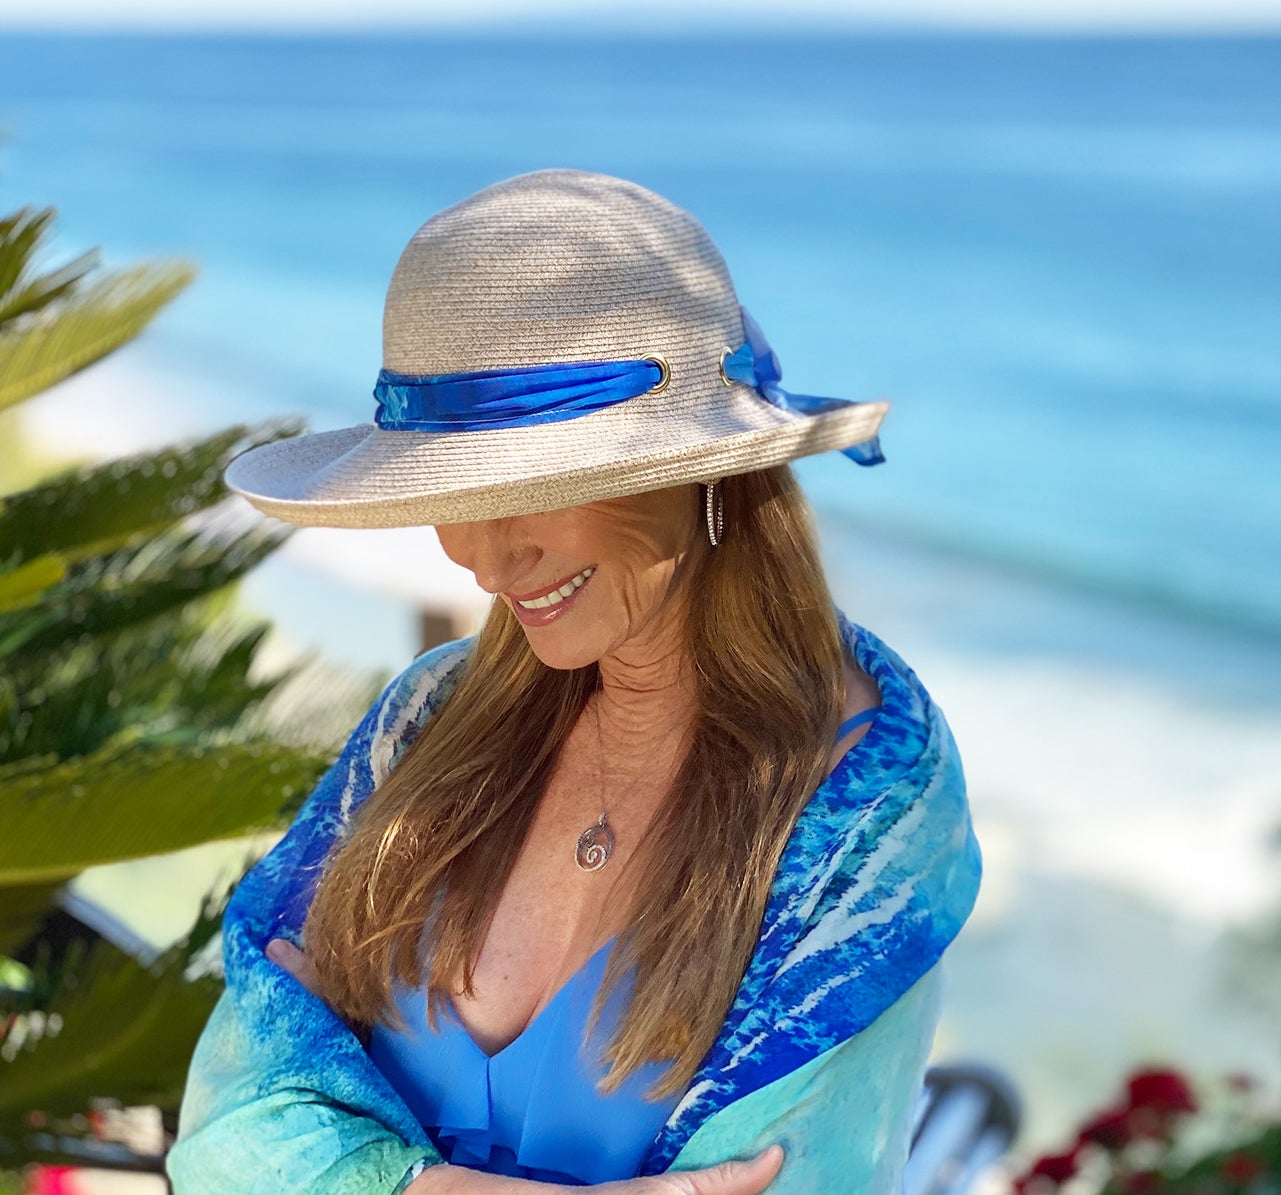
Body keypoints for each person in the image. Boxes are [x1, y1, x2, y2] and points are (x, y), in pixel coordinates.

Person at [164, 169, 982, 1194]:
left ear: (704, 469)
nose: (482, 561)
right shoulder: (428, 718)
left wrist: (348, 1160)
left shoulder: (865, 816)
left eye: (535, 487)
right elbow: (224, 1127)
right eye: (449, 489)